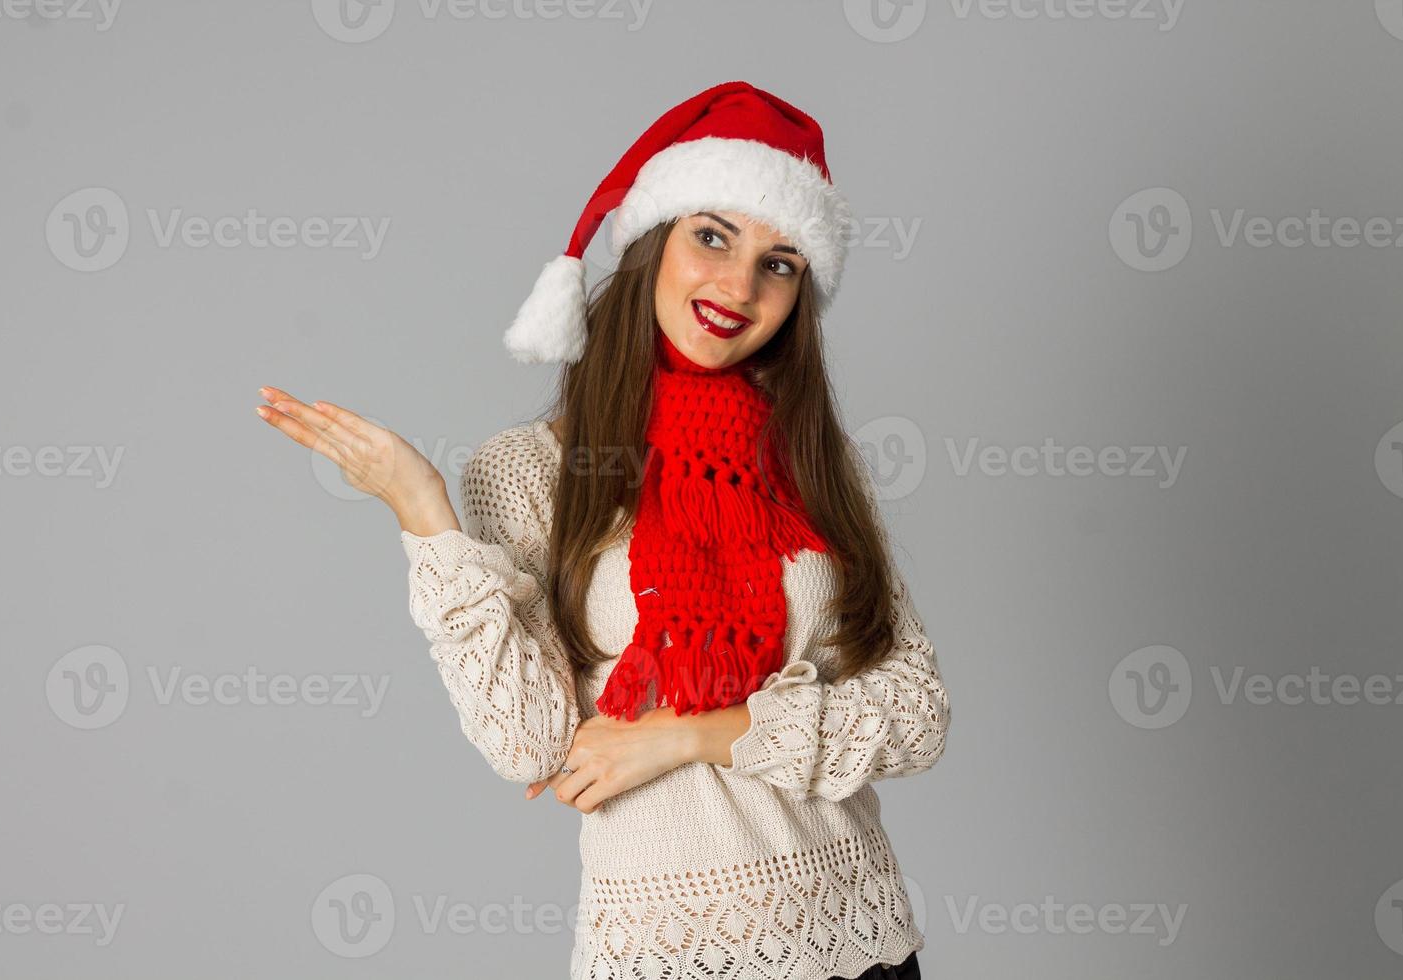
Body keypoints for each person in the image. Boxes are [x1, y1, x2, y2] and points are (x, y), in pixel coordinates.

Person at [257, 80, 948, 980]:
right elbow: (530, 743)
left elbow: (916, 714)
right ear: (653, 245)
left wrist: (688, 734)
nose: (738, 286)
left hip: (860, 940)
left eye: (779, 262)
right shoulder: (530, 472)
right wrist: (425, 517)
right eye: (711, 236)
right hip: (662, 949)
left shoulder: (815, 462)